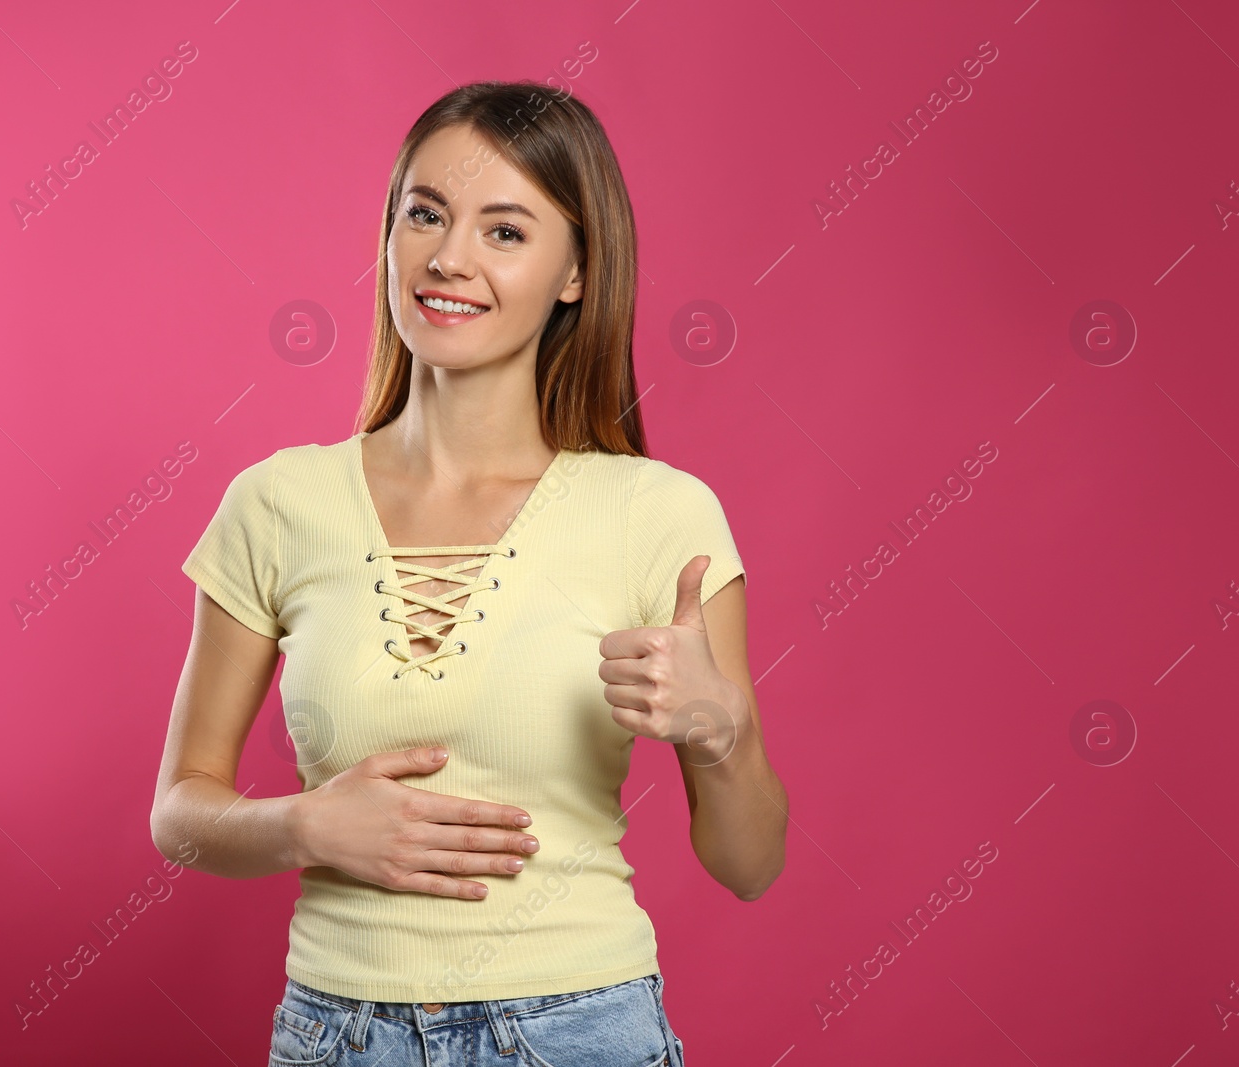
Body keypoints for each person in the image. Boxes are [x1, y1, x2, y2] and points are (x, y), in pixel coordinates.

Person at [151, 80, 788, 1067]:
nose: (447, 259)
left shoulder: (661, 514)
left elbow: (749, 865)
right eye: (425, 214)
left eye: (505, 231)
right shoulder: (277, 502)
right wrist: (306, 823)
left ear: (575, 271)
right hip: (338, 1035)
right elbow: (180, 812)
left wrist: (721, 731)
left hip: (580, 1031)